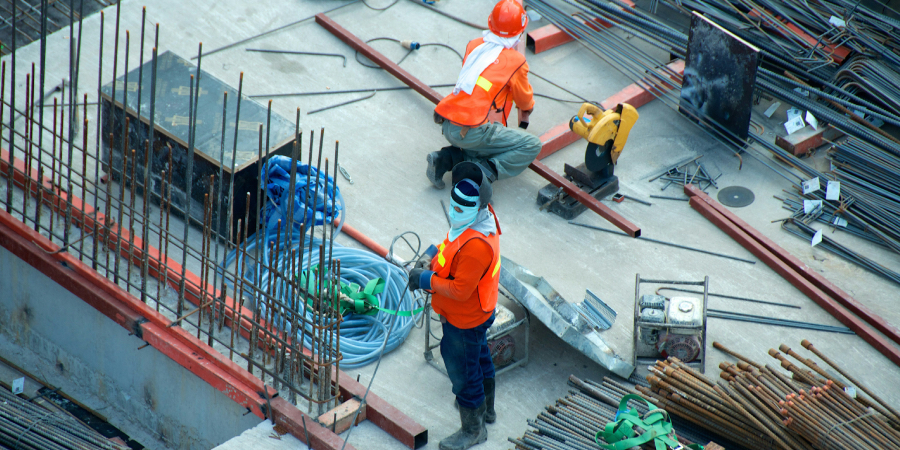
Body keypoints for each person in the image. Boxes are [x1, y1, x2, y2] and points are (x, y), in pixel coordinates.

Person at [408, 162, 501, 450]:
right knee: (480, 357)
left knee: (463, 373)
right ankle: (486, 411)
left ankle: (473, 430)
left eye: (462, 207)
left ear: (479, 205)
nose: (455, 212)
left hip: (465, 318)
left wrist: (426, 278)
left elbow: (460, 290)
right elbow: (451, 245)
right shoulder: (477, 221)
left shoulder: (476, 246)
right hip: (478, 313)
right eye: (454, 204)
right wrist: (431, 256)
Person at [428, 0, 542, 189]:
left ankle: (444, 159)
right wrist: (527, 110)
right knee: (531, 145)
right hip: (472, 130)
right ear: (520, 30)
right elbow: (524, 100)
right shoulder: (516, 61)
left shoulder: (474, 46)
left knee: (484, 142)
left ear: (491, 22)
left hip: (448, 121)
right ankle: (482, 173)